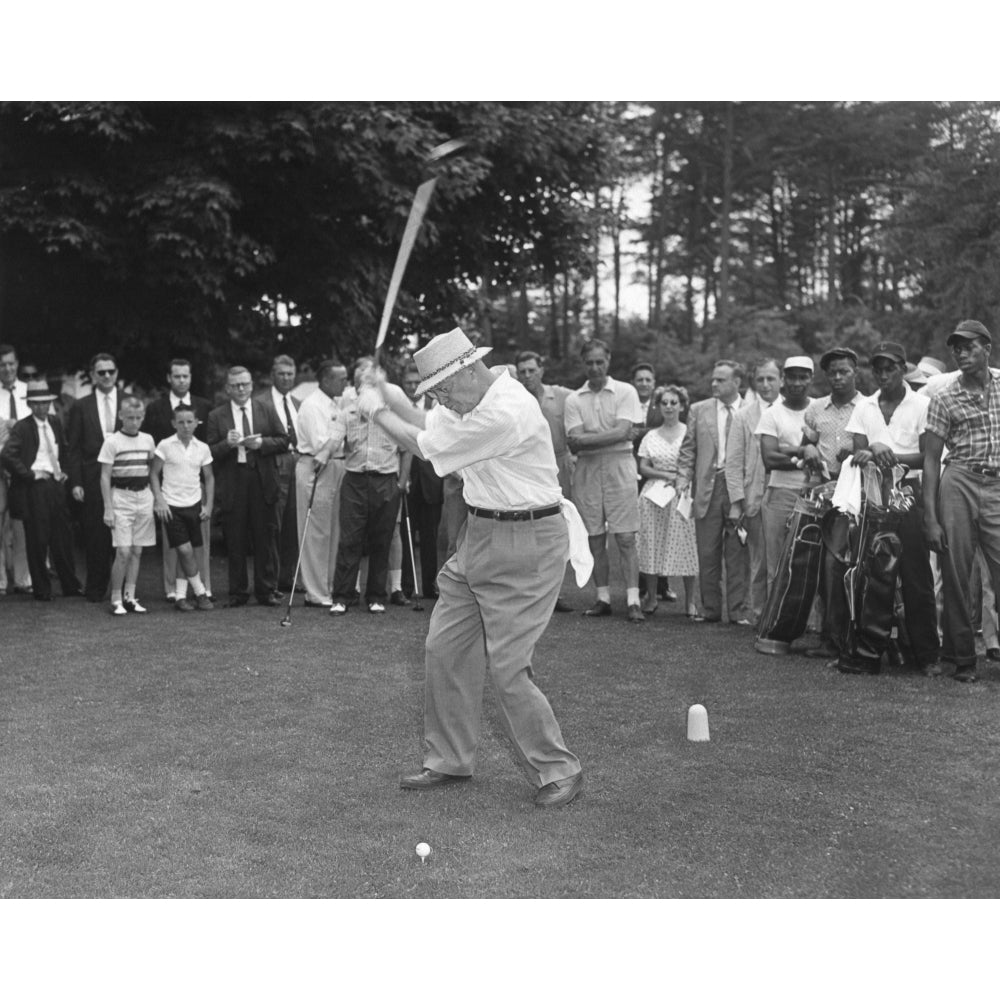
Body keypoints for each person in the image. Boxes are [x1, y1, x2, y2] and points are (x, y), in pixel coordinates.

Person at [357, 326, 589, 808]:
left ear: (467, 370)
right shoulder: (465, 401)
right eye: (433, 392)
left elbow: (424, 447)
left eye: (442, 388)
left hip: (530, 542)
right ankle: (448, 759)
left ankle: (558, 768)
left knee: (507, 667)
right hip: (480, 535)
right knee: (444, 648)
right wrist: (390, 394)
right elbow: (427, 422)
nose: (440, 400)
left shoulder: (508, 410)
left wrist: (375, 409)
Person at [845, 341, 938, 674]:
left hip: (909, 490)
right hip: (874, 493)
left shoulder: (922, 403)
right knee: (875, 573)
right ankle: (870, 652)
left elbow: (929, 457)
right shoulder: (865, 406)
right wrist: (873, 451)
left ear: (904, 368)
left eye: (891, 368)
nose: (884, 375)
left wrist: (889, 453)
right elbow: (858, 452)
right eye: (878, 369)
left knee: (916, 574)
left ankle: (926, 655)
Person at [923, 319, 1000, 683]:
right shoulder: (944, 397)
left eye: (969, 346)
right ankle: (964, 658)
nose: (962, 353)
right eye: (956, 348)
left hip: (996, 484)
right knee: (955, 571)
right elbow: (930, 458)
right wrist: (931, 518)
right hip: (959, 481)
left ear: (987, 347)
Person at [565, 339, 645, 622]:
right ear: (583, 364)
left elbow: (624, 430)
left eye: (600, 362)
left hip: (620, 466)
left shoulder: (625, 391)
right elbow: (574, 445)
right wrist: (615, 434)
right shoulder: (574, 399)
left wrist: (588, 439)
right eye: (590, 363)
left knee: (625, 536)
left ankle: (634, 599)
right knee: (595, 537)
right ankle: (603, 597)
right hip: (587, 470)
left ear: (608, 360)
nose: (595, 368)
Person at [206, 365, 289, 607]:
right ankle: (238, 592)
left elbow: (284, 440)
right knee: (235, 539)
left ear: (252, 385)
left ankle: (266, 590)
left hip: (263, 481)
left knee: (266, 537)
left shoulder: (266, 408)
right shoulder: (216, 416)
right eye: (235, 385)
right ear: (227, 388)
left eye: (245, 384)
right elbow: (208, 452)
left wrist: (262, 443)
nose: (241, 389)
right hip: (235, 481)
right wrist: (227, 444)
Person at [800, 347, 864, 659]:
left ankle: (842, 637)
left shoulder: (867, 407)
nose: (838, 378)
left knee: (839, 564)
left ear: (856, 372)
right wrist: (807, 450)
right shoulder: (815, 409)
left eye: (844, 371)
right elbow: (807, 442)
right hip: (820, 490)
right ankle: (826, 633)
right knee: (816, 563)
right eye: (833, 372)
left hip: (853, 492)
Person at [329, 357, 404, 616]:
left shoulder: (392, 402)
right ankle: (342, 596)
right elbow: (336, 437)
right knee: (349, 539)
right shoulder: (347, 402)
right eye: (360, 367)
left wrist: (402, 481)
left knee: (381, 539)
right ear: (355, 375)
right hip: (355, 478)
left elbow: (405, 446)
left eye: (371, 368)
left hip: (385, 477)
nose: (365, 372)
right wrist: (323, 453)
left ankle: (376, 595)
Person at [677, 359, 750, 624]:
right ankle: (710, 610)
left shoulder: (752, 410)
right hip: (708, 486)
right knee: (708, 553)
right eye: (713, 379)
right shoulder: (699, 409)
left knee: (738, 552)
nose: (714, 384)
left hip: (739, 488)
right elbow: (688, 451)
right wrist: (682, 480)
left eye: (720, 379)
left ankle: (739, 612)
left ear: (737, 382)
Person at [0, 379, 82, 600]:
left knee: (63, 537)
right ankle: (42, 589)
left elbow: (63, 450)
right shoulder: (23, 427)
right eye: (36, 403)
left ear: (49, 403)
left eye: (44, 403)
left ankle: (70, 585)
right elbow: (7, 454)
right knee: (38, 539)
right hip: (35, 488)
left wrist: (63, 471)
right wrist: (29, 473)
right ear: (30, 405)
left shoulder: (54, 422)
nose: (41, 407)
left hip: (56, 484)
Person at [141, 358, 213, 603]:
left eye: (186, 376)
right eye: (177, 376)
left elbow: (207, 447)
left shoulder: (204, 406)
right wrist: (157, 495)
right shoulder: (155, 408)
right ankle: (172, 589)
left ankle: (203, 587)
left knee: (198, 542)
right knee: (174, 543)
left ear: (191, 378)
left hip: (195, 480)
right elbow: (152, 449)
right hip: (167, 485)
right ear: (169, 378)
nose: (181, 380)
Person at [515, 350, 573, 611]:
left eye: (531, 370)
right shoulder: (513, 397)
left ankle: (554, 593)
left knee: (556, 533)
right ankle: (528, 591)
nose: (527, 376)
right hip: (525, 471)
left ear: (542, 370)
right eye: (522, 371)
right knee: (526, 532)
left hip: (558, 468)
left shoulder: (561, 395)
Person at [726, 358, 781, 626]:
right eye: (760, 379)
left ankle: (791, 615)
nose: (766, 384)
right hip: (755, 496)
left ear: (781, 380)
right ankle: (762, 615)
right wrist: (737, 502)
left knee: (787, 558)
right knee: (760, 561)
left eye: (771, 378)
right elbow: (733, 463)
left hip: (786, 493)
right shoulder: (743, 416)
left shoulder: (795, 410)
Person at [637, 385, 698, 617]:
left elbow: (696, 461)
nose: (669, 407)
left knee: (687, 546)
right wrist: (665, 475)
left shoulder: (689, 432)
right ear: (658, 406)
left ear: (682, 406)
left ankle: (690, 602)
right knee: (652, 544)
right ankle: (651, 597)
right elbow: (643, 467)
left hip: (683, 493)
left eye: (674, 403)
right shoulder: (650, 436)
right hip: (654, 494)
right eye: (665, 403)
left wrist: (681, 479)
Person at [755, 356, 814, 594]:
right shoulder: (772, 414)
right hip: (779, 492)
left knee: (809, 559)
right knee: (777, 561)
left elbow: (826, 453)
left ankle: (808, 621)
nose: (797, 383)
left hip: (813, 493)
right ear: (783, 380)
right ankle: (773, 621)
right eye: (791, 377)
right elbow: (769, 458)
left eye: (803, 377)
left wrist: (785, 451)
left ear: (811, 378)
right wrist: (804, 455)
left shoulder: (819, 408)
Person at [293, 359, 348, 609]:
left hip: (337, 465)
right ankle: (315, 592)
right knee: (315, 531)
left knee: (335, 529)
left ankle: (330, 585)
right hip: (317, 467)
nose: (346, 383)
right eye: (342, 379)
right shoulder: (312, 405)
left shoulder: (336, 403)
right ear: (326, 380)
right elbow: (320, 445)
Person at [149, 403, 215, 612]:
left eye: (189, 422)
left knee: (187, 551)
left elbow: (210, 478)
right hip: (172, 507)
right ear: (173, 424)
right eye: (181, 422)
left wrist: (209, 505)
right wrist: (159, 500)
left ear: (197, 423)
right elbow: (153, 474)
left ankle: (179, 596)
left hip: (194, 505)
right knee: (184, 550)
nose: (185, 426)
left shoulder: (202, 448)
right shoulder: (165, 445)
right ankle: (200, 592)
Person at [66, 353, 121, 602]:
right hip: (91, 477)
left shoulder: (130, 402)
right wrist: (76, 482)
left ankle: (124, 588)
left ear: (117, 373)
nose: (107, 376)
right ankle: (96, 587)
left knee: (124, 533)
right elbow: (73, 447)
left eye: (110, 371)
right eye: (101, 372)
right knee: (96, 534)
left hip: (124, 477)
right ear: (93, 375)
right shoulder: (81, 405)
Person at [98, 395, 156, 615]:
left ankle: (130, 596)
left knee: (137, 551)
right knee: (122, 550)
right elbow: (104, 476)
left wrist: (155, 497)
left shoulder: (148, 440)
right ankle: (115, 597)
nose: (134, 421)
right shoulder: (112, 441)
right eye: (130, 417)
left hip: (143, 497)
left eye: (138, 417)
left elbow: (151, 470)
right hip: (121, 497)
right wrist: (108, 508)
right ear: (121, 416)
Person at [400, 363, 443, 601]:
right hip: (406, 482)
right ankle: (406, 586)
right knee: (406, 534)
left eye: (417, 382)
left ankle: (430, 585)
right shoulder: (397, 408)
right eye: (408, 382)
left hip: (430, 481)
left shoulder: (434, 407)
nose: (413, 386)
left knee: (430, 537)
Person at [262, 354, 301, 594]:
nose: (286, 378)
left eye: (290, 373)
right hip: (274, 464)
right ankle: (271, 579)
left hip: (299, 463)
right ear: (272, 375)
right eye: (281, 374)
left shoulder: (298, 402)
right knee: (273, 523)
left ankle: (289, 577)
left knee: (293, 523)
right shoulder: (261, 402)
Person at [0, 344, 35, 596]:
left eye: (11, 363)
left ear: (17, 363)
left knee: (23, 523)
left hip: (25, 468)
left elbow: (41, 427)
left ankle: (23, 578)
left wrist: (14, 425)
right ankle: (0, 579)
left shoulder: (29, 391)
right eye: (2, 364)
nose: (7, 368)